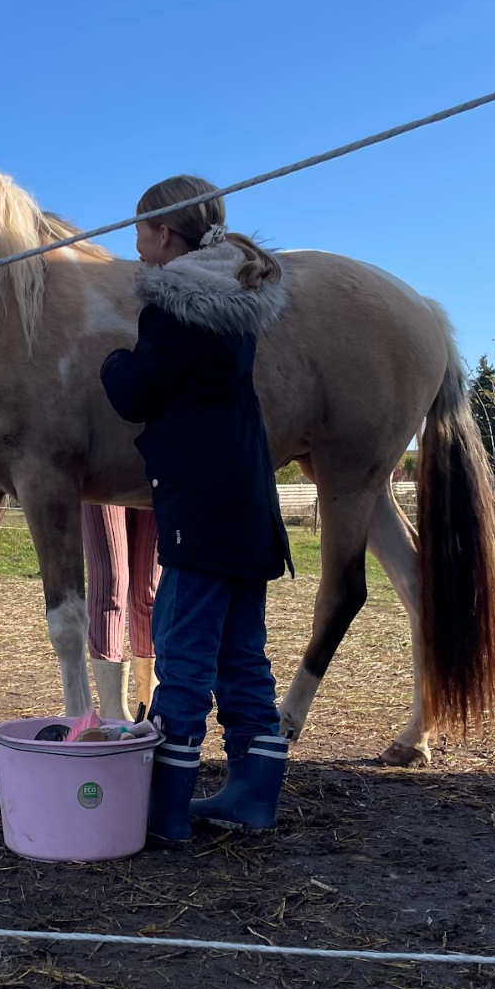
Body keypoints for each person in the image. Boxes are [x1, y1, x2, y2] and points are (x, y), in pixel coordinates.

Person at [100, 175, 294, 845]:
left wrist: (114, 361)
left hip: (199, 508)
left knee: (182, 651)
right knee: (243, 655)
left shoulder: (175, 305)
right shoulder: (239, 294)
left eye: (138, 231)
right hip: (249, 498)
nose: (135, 244)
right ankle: (252, 796)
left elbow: (138, 393)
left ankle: (165, 809)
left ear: (162, 233)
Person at [82, 503, 160, 721]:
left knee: (150, 588)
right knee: (110, 581)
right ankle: (113, 709)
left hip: (153, 475)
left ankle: (149, 707)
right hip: (100, 474)